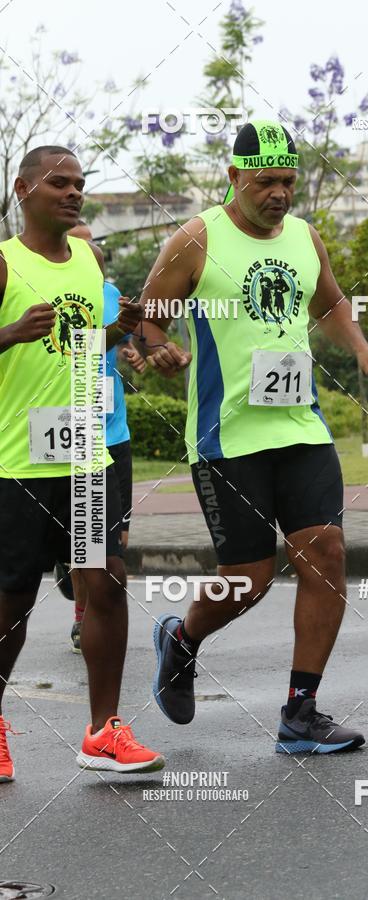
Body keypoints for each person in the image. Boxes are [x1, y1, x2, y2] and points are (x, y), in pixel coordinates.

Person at [140, 120, 368, 754]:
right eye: (266, 182)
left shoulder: (307, 238)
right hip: (228, 438)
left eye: (288, 181)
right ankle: (183, 639)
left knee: (326, 553)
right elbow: (148, 315)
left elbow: (329, 303)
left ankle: (300, 712)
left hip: (300, 426)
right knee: (247, 582)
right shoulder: (197, 238)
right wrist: (159, 348)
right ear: (234, 178)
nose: (279, 193)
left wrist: (360, 346)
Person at [0, 146, 164, 781]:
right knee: (12, 601)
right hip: (17, 462)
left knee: (107, 580)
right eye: (59, 184)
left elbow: (83, 346)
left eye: (79, 185)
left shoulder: (90, 262)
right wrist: (10, 332)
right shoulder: (5, 262)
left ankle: (103, 730)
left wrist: (120, 330)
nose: (73, 194)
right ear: (23, 190)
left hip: (85, 455)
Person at [56, 221, 146, 653]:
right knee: (89, 539)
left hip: (115, 430)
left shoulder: (112, 296)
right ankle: (83, 617)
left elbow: (127, 340)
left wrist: (133, 352)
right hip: (74, 431)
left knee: (115, 539)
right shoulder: (50, 295)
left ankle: (83, 584)